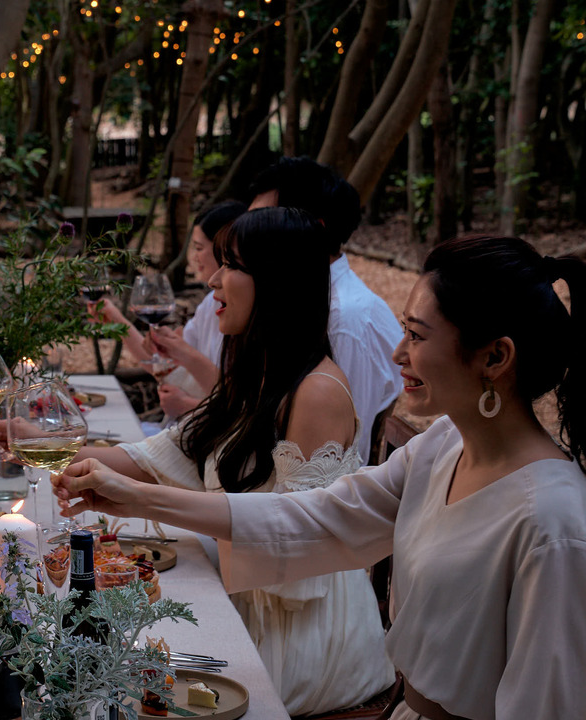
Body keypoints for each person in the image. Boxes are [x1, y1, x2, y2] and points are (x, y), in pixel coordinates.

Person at [56, 235, 586, 720]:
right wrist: (137, 499)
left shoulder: (552, 524)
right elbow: (317, 516)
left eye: (416, 336)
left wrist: (142, 496)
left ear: (495, 357)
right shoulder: (442, 446)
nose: (398, 354)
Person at [53, 208, 394, 715]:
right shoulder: (257, 374)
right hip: (249, 601)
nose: (212, 278)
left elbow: (292, 550)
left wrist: (141, 501)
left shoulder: (317, 392)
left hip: (303, 641)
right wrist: (38, 444)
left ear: (274, 282)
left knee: (109, 683)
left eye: (230, 264)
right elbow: (159, 454)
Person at [247, 156, 401, 461]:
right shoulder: (294, 302)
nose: (245, 233)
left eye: (263, 221)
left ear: (310, 231)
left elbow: (341, 462)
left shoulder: (344, 321)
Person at [93, 201, 246, 428]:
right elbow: (161, 365)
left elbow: (243, 408)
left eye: (199, 248)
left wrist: (188, 406)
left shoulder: (247, 321)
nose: (194, 257)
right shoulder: (209, 305)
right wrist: (116, 321)